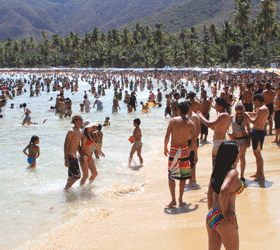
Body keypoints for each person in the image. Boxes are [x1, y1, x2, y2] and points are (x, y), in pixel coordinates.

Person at [207, 141, 244, 250]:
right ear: (232, 155)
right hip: (224, 218)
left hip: (211, 216)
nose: (239, 154)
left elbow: (209, 191)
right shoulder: (232, 173)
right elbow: (224, 190)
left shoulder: (216, 170)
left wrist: (212, 210)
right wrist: (225, 212)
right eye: (237, 152)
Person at [164, 102, 196, 208]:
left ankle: (173, 200)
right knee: (183, 176)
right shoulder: (191, 123)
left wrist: (165, 147)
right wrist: (194, 154)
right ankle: (180, 200)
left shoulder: (173, 121)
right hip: (185, 150)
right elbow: (194, 141)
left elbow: (167, 136)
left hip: (174, 150)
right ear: (187, 111)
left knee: (171, 176)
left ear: (178, 110)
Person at [197, 97, 232, 168]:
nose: (214, 106)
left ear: (221, 106)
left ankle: (216, 178)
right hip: (221, 141)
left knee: (215, 164)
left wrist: (201, 116)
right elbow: (215, 128)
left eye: (216, 104)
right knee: (219, 164)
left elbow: (210, 124)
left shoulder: (223, 115)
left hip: (218, 142)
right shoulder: (226, 115)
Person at [244, 94, 269, 181]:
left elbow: (254, 122)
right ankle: (258, 172)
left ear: (257, 100)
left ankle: (261, 174)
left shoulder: (261, 109)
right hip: (259, 132)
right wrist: (249, 113)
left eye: (254, 101)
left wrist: (247, 116)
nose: (254, 103)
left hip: (258, 133)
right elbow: (257, 115)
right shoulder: (265, 108)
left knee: (257, 154)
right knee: (256, 154)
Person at [228, 104, 251, 182]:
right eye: (238, 113)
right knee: (234, 159)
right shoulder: (232, 117)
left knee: (242, 157)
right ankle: (234, 175)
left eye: (241, 113)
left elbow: (248, 129)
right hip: (235, 140)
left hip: (244, 139)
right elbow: (226, 127)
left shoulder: (245, 117)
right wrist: (229, 134)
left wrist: (249, 140)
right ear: (235, 112)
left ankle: (242, 175)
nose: (239, 115)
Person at [64, 114, 83, 190]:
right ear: (75, 121)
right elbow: (66, 145)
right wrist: (66, 159)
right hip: (70, 156)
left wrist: (82, 154)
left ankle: (67, 192)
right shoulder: (71, 131)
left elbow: (78, 145)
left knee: (71, 176)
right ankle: (66, 189)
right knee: (77, 176)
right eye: (80, 120)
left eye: (82, 120)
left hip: (75, 156)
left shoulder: (79, 131)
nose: (82, 121)